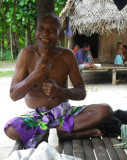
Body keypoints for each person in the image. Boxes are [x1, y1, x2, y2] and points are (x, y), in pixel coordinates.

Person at [4, 13, 113, 149]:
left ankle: (53, 133)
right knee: (11, 129)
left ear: (60, 35)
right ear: (36, 31)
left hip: (64, 114)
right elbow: (14, 95)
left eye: (51, 30)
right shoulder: (26, 54)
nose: (45, 34)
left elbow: (81, 92)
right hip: (38, 116)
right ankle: (71, 134)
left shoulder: (67, 56)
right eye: (41, 28)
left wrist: (60, 91)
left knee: (105, 110)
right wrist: (36, 74)